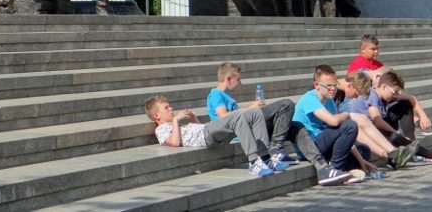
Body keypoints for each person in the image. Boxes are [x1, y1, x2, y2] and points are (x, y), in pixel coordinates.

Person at [145, 95, 289, 178]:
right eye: (166, 108)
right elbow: (175, 142)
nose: (171, 109)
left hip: (207, 131)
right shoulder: (162, 129)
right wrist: (176, 121)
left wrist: (193, 118)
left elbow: (199, 128)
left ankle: (265, 158)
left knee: (255, 113)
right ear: (156, 115)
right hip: (207, 135)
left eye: (170, 106)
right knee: (237, 117)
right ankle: (253, 162)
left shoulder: (173, 125)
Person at [206, 62, 301, 164]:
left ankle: (275, 150)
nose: (240, 83)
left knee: (293, 125)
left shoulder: (225, 95)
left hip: (244, 127)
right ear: (229, 79)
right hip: (235, 133)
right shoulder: (216, 94)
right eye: (237, 79)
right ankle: (275, 149)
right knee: (286, 105)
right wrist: (251, 108)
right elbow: (223, 117)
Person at [291, 65, 368, 184]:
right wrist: (346, 114)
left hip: (323, 142)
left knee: (364, 150)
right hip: (309, 148)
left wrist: (361, 160)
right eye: (328, 85)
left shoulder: (329, 101)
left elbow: (339, 131)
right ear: (316, 85)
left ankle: (345, 171)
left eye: (335, 84)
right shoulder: (309, 99)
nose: (333, 89)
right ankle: (336, 169)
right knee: (349, 126)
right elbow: (334, 121)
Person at [366, 70, 432, 161]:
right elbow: (377, 121)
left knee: (405, 104)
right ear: (384, 87)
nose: (395, 95)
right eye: (395, 92)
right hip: (373, 130)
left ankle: (412, 143)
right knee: (395, 137)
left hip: (383, 123)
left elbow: (411, 98)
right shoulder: (373, 96)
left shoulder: (385, 94)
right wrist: (397, 134)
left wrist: (423, 116)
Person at [337, 71, 416, 169]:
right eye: (357, 94)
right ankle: (391, 154)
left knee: (361, 120)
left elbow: (407, 97)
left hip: (355, 128)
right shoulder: (334, 92)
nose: (357, 97)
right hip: (341, 132)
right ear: (350, 85)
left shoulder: (347, 91)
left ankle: (393, 153)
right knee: (358, 121)